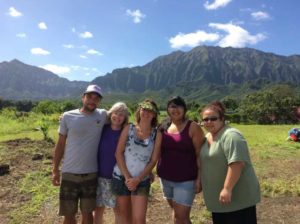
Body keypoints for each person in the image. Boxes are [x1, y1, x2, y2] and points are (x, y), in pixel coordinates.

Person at [52, 84, 107, 224]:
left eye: (96, 98)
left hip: (91, 174)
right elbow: (60, 145)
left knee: (88, 214)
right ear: (83, 97)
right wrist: (55, 170)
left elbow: (120, 116)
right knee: (68, 216)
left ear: (99, 101)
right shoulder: (67, 116)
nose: (92, 101)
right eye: (89, 97)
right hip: (69, 173)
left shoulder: (103, 115)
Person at [200, 101, 260, 224]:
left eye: (213, 119)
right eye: (205, 119)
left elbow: (237, 164)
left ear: (222, 119)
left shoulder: (231, 136)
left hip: (238, 199)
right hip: (219, 202)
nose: (209, 122)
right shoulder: (208, 137)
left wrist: (227, 189)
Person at [111, 99, 162, 224]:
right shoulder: (129, 128)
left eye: (151, 110)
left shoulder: (157, 134)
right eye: (144, 109)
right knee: (124, 217)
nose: (146, 113)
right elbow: (118, 153)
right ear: (139, 110)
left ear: (154, 114)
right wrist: (128, 178)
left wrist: (137, 179)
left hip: (142, 180)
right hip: (121, 177)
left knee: (139, 220)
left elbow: (153, 160)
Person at [157, 96, 205, 224]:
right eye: (172, 106)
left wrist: (199, 178)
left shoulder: (192, 127)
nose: (175, 109)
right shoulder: (163, 126)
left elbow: (200, 154)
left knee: (181, 217)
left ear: (184, 109)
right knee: (176, 213)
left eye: (179, 106)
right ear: (167, 109)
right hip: (165, 178)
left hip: (186, 180)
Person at [94, 102, 129, 224]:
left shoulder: (126, 133)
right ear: (111, 114)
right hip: (98, 175)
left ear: (125, 118)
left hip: (116, 178)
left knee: (117, 210)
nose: (118, 117)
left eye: (122, 115)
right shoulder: (102, 128)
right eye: (116, 113)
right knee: (98, 209)